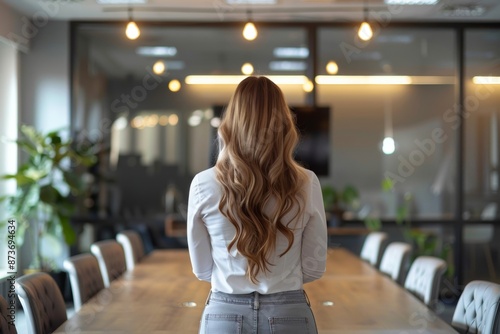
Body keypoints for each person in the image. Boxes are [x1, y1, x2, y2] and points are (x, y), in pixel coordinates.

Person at [187, 76, 327, 334]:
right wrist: (277, 280)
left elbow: (202, 269)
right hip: (289, 315)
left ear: (231, 122)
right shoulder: (307, 182)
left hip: (224, 315)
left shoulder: (202, 184)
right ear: (284, 123)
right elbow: (314, 268)